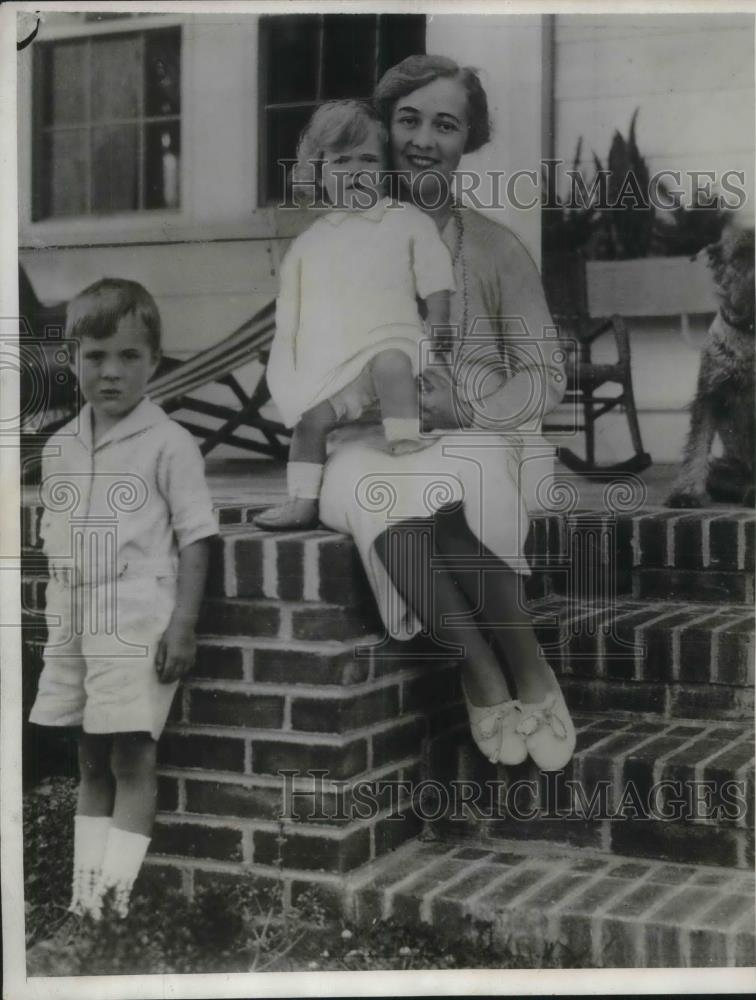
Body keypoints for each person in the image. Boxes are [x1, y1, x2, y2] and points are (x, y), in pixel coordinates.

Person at [319, 55, 576, 770]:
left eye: (445, 123)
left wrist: (462, 406)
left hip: (478, 430)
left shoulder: (494, 248)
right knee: (378, 497)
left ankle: (526, 665)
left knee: (459, 489)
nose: (423, 139)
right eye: (408, 120)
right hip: (368, 437)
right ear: (385, 129)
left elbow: (543, 376)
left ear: (469, 138)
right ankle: (482, 669)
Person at [29, 279, 218, 920]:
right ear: (73, 359)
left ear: (154, 362)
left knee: (131, 752)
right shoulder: (59, 446)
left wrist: (183, 626)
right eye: (95, 356)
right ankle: (85, 902)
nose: (110, 373)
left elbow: (196, 539)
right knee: (89, 753)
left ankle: (112, 906)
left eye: (128, 357)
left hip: (137, 616)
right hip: (78, 617)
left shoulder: (170, 444)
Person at [253, 100, 455, 531]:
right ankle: (301, 500)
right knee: (311, 420)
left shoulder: (404, 220)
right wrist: (293, 361)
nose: (356, 171)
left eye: (368, 159)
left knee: (391, 362)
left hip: (394, 341)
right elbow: (294, 308)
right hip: (338, 360)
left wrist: (438, 321)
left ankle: (406, 447)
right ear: (318, 170)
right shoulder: (310, 242)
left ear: (386, 170)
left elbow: (434, 272)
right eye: (341, 160)